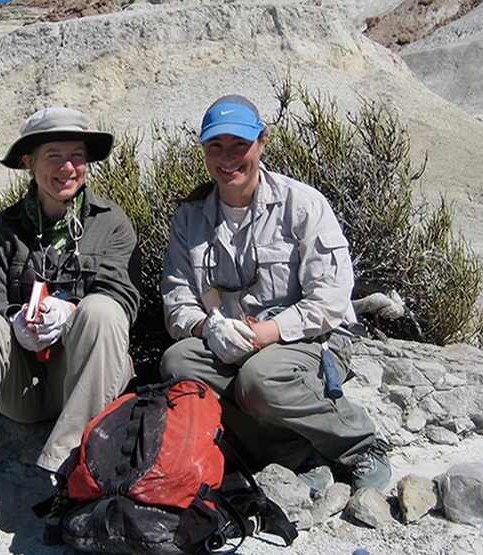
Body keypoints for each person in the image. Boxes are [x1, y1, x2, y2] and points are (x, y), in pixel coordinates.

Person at [0, 107, 140, 555]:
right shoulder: (3, 229)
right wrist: (16, 321)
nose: (67, 168)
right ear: (28, 164)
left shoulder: (112, 222)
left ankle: (76, 477)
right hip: (19, 388)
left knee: (104, 311)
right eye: (53, 155)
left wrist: (69, 312)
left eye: (77, 155)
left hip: (79, 382)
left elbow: (124, 298)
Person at [159, 94, 390, 492]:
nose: (227, 158)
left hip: (309, 340)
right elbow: (178, 300)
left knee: (259, 377)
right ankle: (294, 454)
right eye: (216, 146)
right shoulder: (190, 217)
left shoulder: (301, 204)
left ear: (262, 142)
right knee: (177, 362)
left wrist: (268, 333)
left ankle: (359, 444)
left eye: (239, 146)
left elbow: (331, 298)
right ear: (204, 150)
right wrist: (208, 329)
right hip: (228, 344)